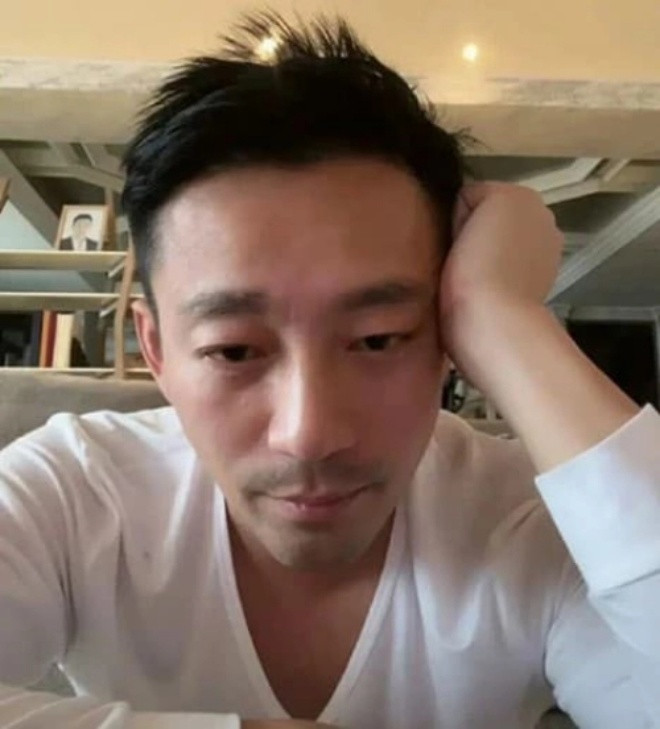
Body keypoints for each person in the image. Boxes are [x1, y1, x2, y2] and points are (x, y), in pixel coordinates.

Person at [1, 11, 658, 729]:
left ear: (445, 338)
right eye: (235, 350)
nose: (308, 434)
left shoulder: (535, 522)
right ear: (156, 350)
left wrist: (504, 317)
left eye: (377, 339)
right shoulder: (75, 491)